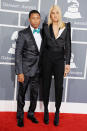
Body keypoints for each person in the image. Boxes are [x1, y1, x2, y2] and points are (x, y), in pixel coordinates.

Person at [41, 5, 71, 126]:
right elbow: (43, 45)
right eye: (53, 13)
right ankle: (46, 111)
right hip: (47, 59)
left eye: (57, 13)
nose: (55, 15)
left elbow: (68, 45)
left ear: (60, 14)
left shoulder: (66, 26)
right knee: (46, 86)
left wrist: (67, 63)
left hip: (59, 60)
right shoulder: (45, 26)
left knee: (59, 87)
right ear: (50, 15)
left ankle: (57, 111)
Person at [15, 10, 42, 127]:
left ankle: (31, 113)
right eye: (33, 18)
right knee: (21, 94)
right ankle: (20, 116)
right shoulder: (23, 34)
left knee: (34, 94)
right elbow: (18, 54)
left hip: (38, 70)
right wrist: (19, 72)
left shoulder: (43, 33)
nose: (36, 20)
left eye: (38, 18)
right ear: (29, 19)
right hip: (25, 70)